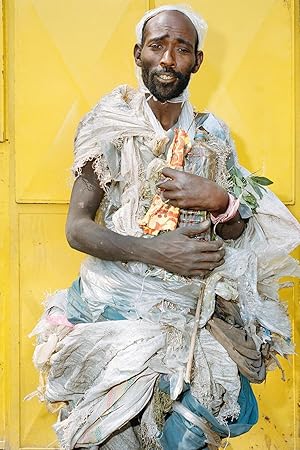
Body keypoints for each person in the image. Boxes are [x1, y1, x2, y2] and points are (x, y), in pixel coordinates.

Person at [30, 4, 300, 450]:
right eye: (157, 46)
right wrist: (157, 251)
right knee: (117, 430)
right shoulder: (109, 125)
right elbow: (77, 229)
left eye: (182, 49)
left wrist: (220, 200)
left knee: (197, 422)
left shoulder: (213, 135)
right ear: (139, 54)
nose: (168, 60)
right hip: (115, 303)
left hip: (189, 308)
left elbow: (237, 230)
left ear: (198, 60)